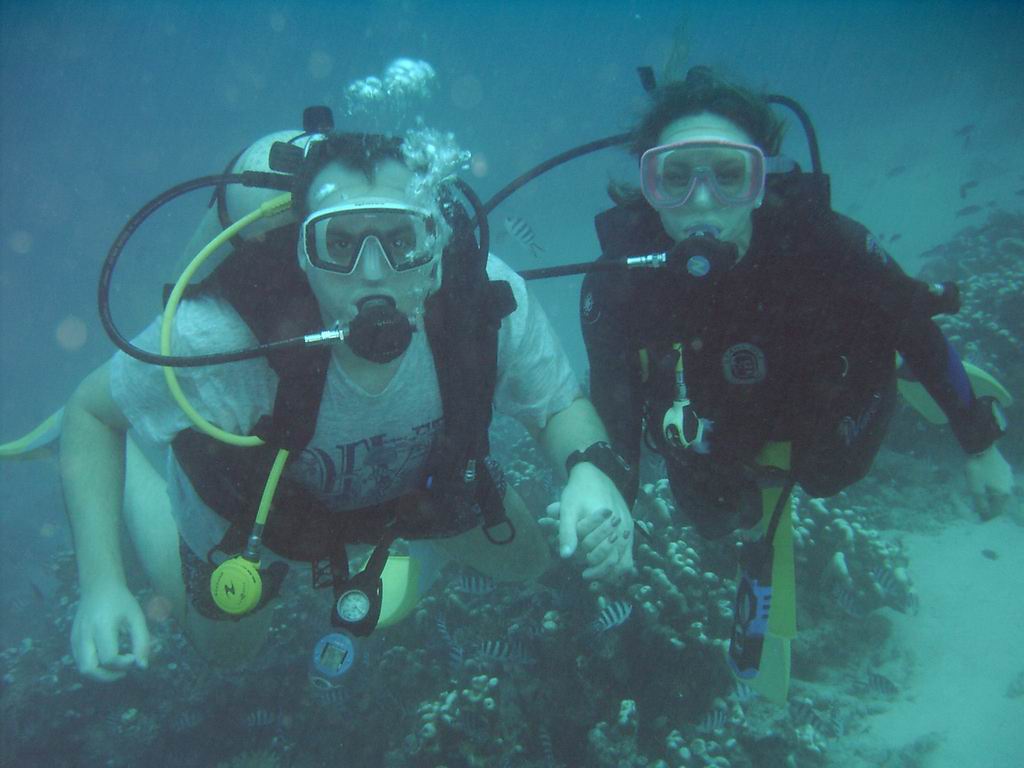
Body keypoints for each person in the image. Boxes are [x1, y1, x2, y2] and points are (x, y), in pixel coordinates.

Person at [61, 127, 632, 683]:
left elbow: (558, 406)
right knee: (228, 652)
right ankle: (140, 477)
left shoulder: (484, 304)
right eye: (338, 243)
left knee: (527, 561)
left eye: (401, 240)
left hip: (417, 489)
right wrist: (103, 585)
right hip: (260, 518)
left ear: (435, 248)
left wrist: (590, 470)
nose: (372, 272)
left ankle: (416, 554)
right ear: (302, 255)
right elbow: (89, 414)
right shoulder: (218, 340)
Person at [579, 66, 1015, 696]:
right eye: (675, 177)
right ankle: (753, 501)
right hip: (711, 421)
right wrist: (613, 503)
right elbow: (614, 406)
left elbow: (913, 321)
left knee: (831, 474)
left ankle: (892, 375)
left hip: (818, 402)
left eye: (729, 174)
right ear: (649, 188)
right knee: (708, 515)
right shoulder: (617, 283)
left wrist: (979, 443)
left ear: (761, 181)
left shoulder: (825, 242)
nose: (702, 199)